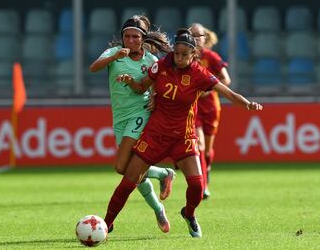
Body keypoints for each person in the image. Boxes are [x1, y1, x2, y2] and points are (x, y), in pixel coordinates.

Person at [103, 28, 263, 238]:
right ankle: (106, 223)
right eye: (176, 53)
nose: (179, 58)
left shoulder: (199, 74)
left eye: (184, 54)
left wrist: (247, 104)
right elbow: (142, 87)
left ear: (193, 54)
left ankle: (189, 214)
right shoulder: (160, 66)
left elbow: (228, 93)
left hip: (183, 137)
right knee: (129, 181)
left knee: (197, 185)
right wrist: (132, 82)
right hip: (155, 135)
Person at [89, 15, 175, 233]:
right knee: (130, 170)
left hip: (141, 114)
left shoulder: (152, 62)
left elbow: (159, 86)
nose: (130, 40)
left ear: (143, 38)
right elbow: (94, 68)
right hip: (119, 117)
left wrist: (155, 96)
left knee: (121, 167)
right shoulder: (113, 54)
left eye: (135, 36)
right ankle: (161, 190)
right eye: (127, 36)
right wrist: (114, 56)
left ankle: (161, 183)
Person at [189, 23, 231, 199]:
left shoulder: (211, 57)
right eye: (192, 35)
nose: (195, 39)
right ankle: (203, 187)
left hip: (212, 108)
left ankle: (207, 169)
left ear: (205, 37)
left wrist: (210, 90)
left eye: (198, 35)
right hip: (193, 108)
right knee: (199, 146)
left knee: (206, 152)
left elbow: (226, 80)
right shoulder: (183, 57)